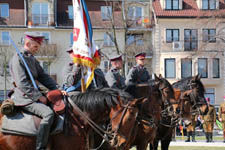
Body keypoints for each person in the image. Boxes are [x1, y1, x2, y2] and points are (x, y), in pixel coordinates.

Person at [10, 32, 64, 150]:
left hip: (33, 93)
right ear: (28, 43)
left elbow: (43, 76)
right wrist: (38, 97)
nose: (36, 50)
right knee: (48, 114)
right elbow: (21, 83)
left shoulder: (31, 59)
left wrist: (57, 89)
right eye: (35, 47)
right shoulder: (18, 58)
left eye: (38, 47)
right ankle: (41, 147)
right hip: (23, 97)